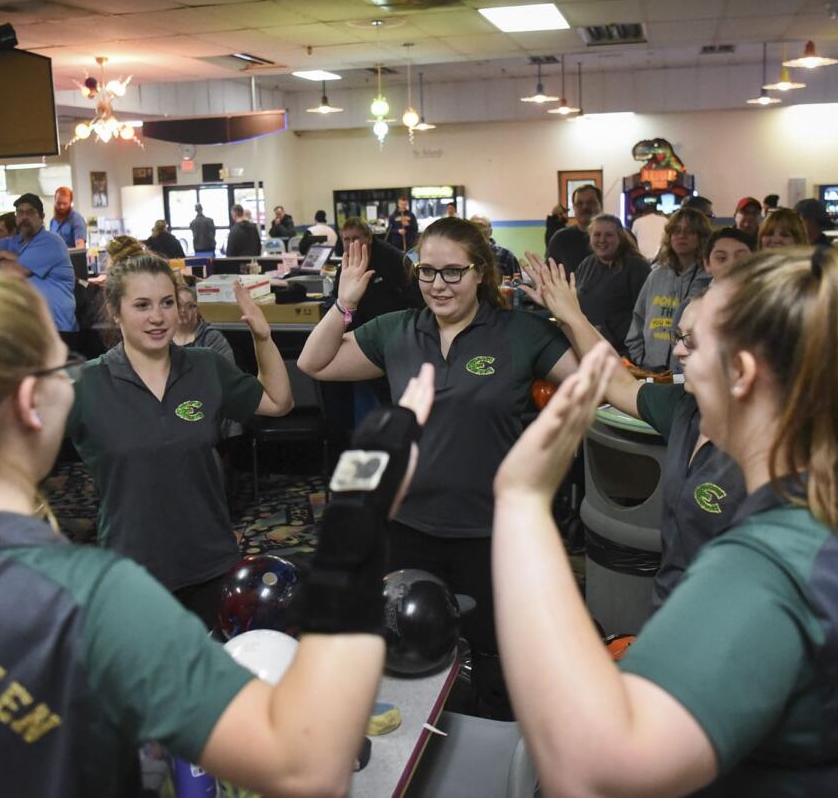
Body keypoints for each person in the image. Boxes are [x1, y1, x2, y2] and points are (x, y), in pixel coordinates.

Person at [0, 247, 434, 798]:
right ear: (30, 404)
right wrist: (359, 522)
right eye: (57, 365)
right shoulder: (94, 599)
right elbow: (307, 763)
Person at [494, 245, 838, 796]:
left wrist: (522, 505)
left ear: (740, 372)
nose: (681, 360)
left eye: (696, 348)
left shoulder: (769, 568)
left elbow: (586, 773)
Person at [299, 216, 577, 719]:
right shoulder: (399, 330)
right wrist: (345, 303)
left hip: (491, 533)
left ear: (481, 273)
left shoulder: (519, 334)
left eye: (453, 272)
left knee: (500, 664)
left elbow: (592, 383)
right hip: (408, 529)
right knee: (411, 657)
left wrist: (571, 315)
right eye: (427, 272)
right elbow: (314, 364)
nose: (438, 285)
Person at [67, 253, 292, 625]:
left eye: (167, 303)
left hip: (211, 562)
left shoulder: (206, 365)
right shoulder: (84, 384)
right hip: (133, 571)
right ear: (115, 311)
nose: (158, 317)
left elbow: (278, 402)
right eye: (142, 305)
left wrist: (262, 337)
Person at [522, 252, 746, 608]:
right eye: (677, 336)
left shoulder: (770, 448)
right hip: (672, 605)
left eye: (691, 341)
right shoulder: (683, 406)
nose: (676, 350)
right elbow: (619, 384)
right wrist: (570, 315)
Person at [625, 208, 711, 371]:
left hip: (688, 370)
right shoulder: (655, 275)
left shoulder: (707, 279)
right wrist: (641, 358)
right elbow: (638, 320)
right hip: (651, 367)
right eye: (676, 230)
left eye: (690, 231)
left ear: (701, 238)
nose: (681, 235)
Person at [0, 193, 78, 339]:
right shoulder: (14, 242)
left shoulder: (51, 242)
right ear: (16, 218)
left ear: (42, 216)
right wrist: (2, 253)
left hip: (57, 330)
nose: (24, 217)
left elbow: (12, 271)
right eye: (20, 212)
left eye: (30, 212)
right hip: (31, 328)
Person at [558, 213, 650, 356]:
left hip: (621, 352)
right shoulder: (587, 264)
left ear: (620, 238)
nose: (602, 240)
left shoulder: (637, 267)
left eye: (609, 235)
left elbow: (647, 314)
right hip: (588, 348)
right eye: (597, 234)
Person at [327, 217, 419, 328]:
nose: (351, 244)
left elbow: (413, 295)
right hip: (358, 328)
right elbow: (338, 299)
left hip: (393, 326)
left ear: (369, 238)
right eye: (346, 239)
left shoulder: (392, 258)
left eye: (355, 238)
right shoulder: (345, 265)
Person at [546, 184, 601, 277]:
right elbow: (550, 275)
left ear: (600, 205)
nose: (584, 207)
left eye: (590, 202)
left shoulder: (618, 237)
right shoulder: (560, 239)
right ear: (574, 208)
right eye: (579, 203)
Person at [469, 214, 519, 280]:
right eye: (473, 226)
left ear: (490, 231)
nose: (478, 230)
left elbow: (517, 284)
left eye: (481, 226)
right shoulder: (464, 254)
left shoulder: (505, 255)